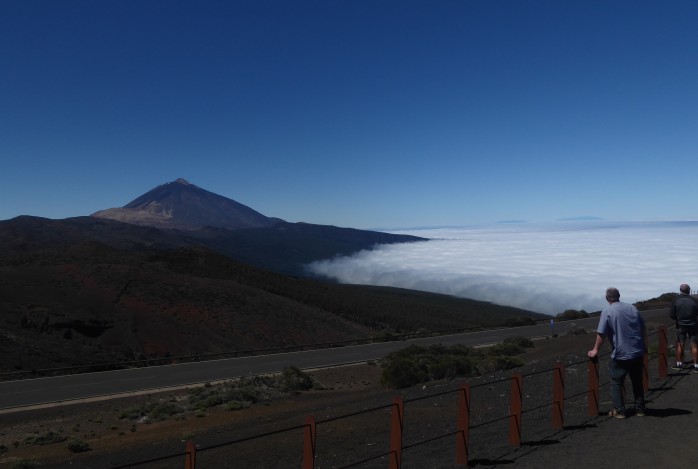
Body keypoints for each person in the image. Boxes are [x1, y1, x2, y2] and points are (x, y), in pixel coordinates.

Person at [587, 287, 646, 419]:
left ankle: (619, 411)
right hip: (637, 351)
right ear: (619, 296)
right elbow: (642, 326)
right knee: (637, 381)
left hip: (621, 353)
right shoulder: (632, 308)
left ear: (607, 298)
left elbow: (601, 333)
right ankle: (640, 409)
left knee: (616, 382)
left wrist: (595, 349)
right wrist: (643, 344)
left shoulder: (607, 311)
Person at [668, 283, 698, 373]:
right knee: (694, 345)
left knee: (680, 344)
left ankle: (679, 365)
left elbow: (672, 315)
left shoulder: (675, 300)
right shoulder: (695, 300)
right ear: (689, 290)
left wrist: (678, 318)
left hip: (680, 325)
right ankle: (696, 366)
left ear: (680, 291)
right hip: (693, 325)